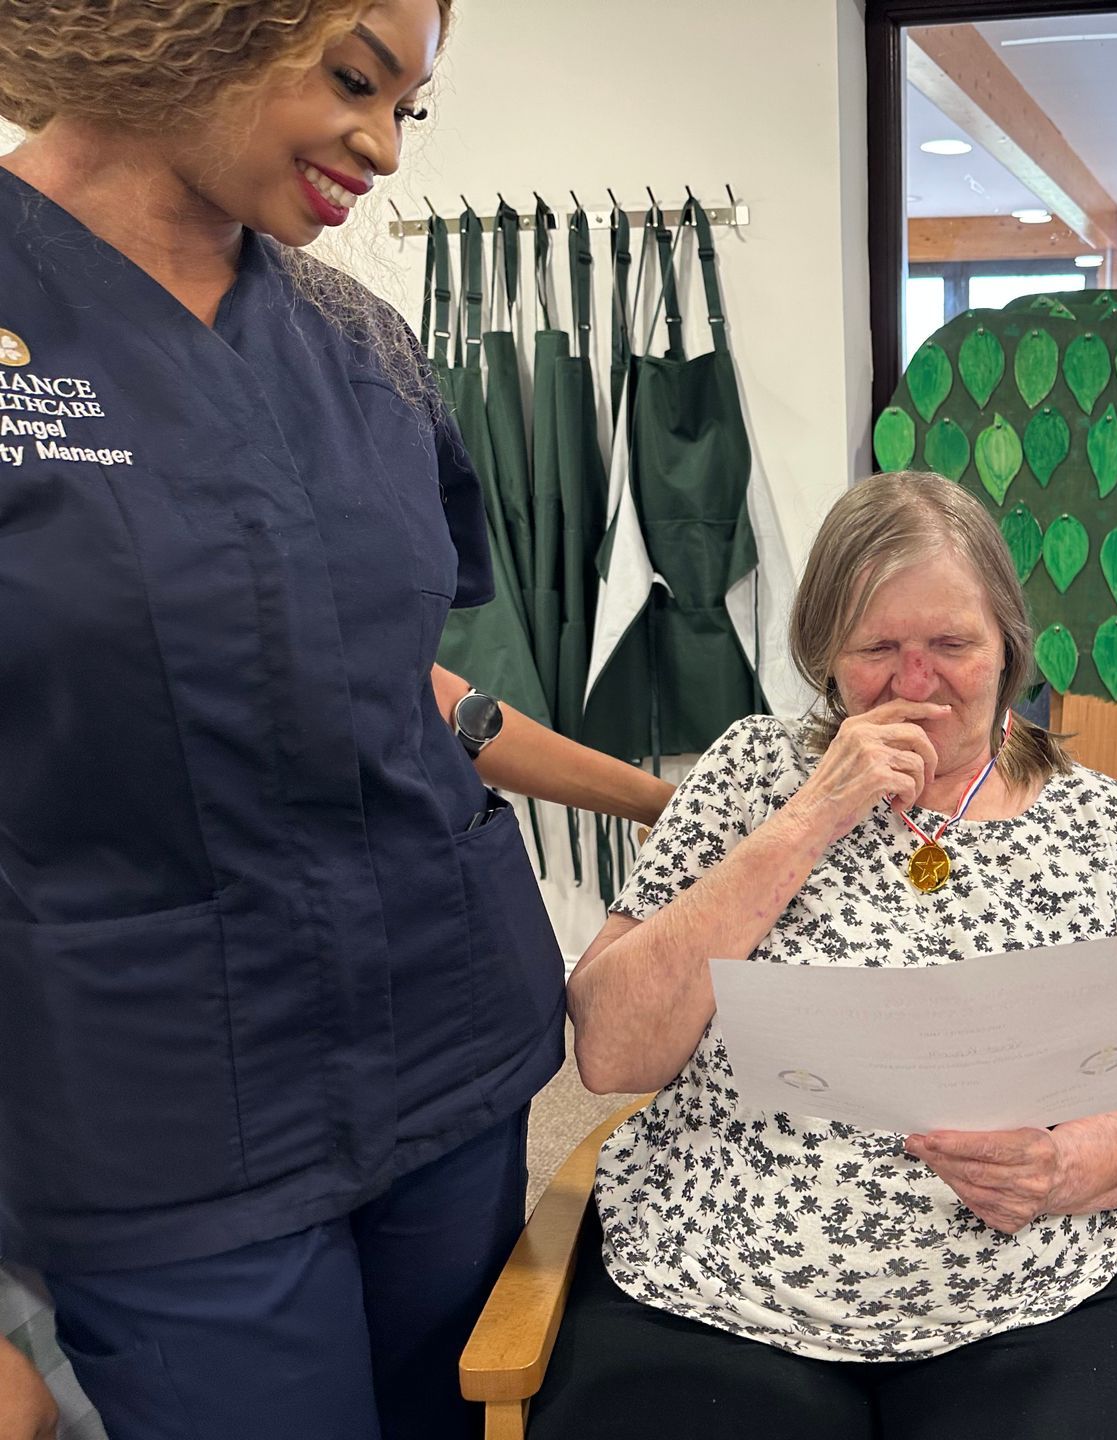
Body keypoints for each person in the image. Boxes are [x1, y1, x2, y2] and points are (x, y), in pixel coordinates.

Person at [0, 3, 671, 1435]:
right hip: (156, 1105)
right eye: (354, 78)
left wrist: (667, 801)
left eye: (409, 108)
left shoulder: (360, 341)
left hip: (448, 1051)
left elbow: (401, 686)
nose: (381, 146)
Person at [549, 471, 1117, 1439]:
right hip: (727, 1290)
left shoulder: (1102, 825)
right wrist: (810, 819)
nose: (915, 684)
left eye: (951, 644)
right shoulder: (748, 775)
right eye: (877, 650)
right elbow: (611, 1051)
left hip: (1029, 1289)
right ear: (827, 657)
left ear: (1006, 648)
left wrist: (1064, 1168)